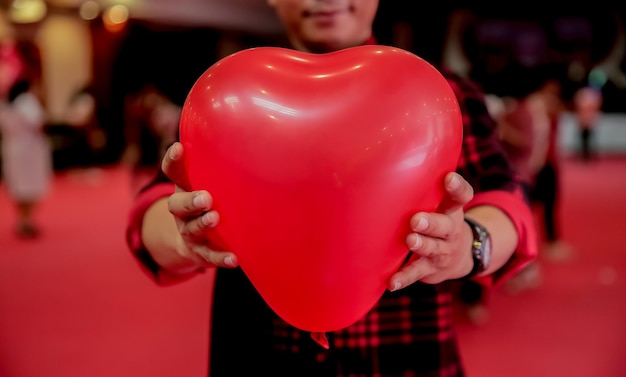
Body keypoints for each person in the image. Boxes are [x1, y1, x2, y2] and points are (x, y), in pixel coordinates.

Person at [125, 1, 537, 376]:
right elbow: (151, 213)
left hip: (405, 359)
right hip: (259, 356)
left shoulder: (438, 95)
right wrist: (184, 239)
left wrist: (467, 246)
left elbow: (508, 204)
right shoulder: (229, 98)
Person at [0, 74, 51, 238]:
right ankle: (26, 220)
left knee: (18, 185)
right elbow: (38, 122)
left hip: (11, 148)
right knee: (30, 184)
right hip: (29, 149)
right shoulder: (27, 101)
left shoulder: (6, 103)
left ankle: (22, 219)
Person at [573, 85, 602, 162]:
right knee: (582, 139)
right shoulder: (581, 96)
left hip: (590, 121)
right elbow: (578, 106)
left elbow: (597, 106)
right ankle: (584, 155)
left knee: (591, 138)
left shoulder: (593, 97)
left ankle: (591, 155)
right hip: (583, 121)